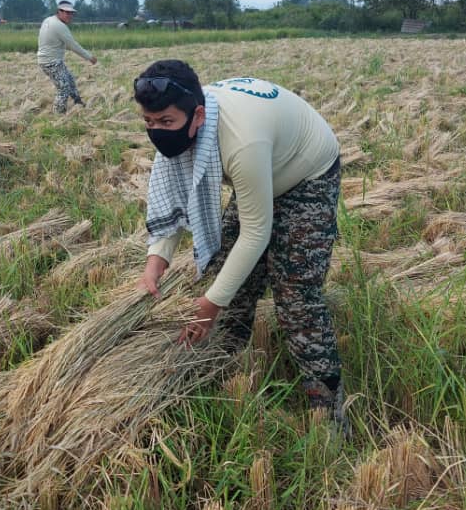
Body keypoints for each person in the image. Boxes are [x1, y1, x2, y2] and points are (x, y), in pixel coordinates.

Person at [133, 59, 347, 431]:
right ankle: (222, 375)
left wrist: (210, 305)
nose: (157, 131)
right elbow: (172, 199)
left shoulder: (241, 140)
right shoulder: (178, 127)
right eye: (149, 122)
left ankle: (328, 414)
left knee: (296, 298)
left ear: (197, 115)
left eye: (165, 122)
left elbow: (256, 233)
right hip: (263, 167)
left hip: (305, 171)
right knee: (225, 275)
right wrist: (155, 262)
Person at [37, 0, 96, 114]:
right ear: (59, 11)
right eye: (67, 13)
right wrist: (89, 57)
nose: (70, 16)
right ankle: (58, 114)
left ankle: (78, 102)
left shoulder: (48, 20)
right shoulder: (59, 26)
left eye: (71, 13)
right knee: (63, 88)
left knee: (70, 80)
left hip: (48, 60)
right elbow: (73, 45)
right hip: (51, 62)